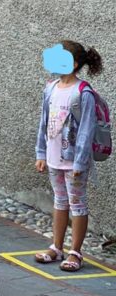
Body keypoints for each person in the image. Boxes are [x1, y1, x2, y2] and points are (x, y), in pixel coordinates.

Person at [34, 41, 103, 273]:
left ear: (73, 63)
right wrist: (41, 152)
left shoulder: (83, 92)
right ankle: (57, 246)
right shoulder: (50, 88)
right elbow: (43, 122)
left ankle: (75, 251)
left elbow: (86, 129)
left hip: (73, 161)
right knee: (59, 201)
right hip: (53, 157)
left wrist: (80, 161)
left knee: (77, 203)